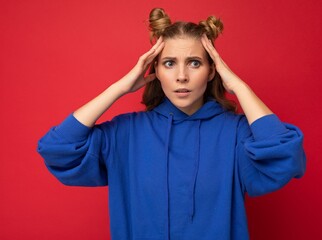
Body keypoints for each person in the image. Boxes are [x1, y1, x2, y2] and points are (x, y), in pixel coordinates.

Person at [37, 8, 306, 240]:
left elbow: (285, 156)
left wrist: (239, 86)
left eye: (194, 63)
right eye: (169, 63)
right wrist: (118, 88)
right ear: (155, 71)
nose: (181, 76)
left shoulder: (235, 134)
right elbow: (58, 149)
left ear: (212, 70)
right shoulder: (125, 133)